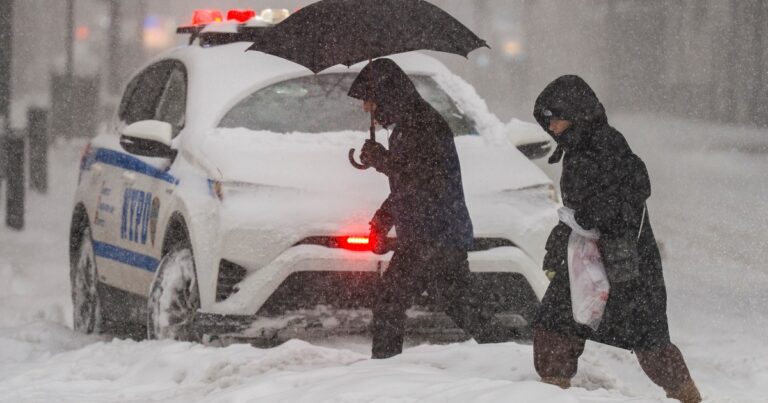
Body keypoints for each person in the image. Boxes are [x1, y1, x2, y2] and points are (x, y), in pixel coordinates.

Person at [531, 75, 701, 403]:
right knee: (554, 325)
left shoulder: (606, 144)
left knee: (650, 342)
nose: (552, 128)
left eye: (556, 119)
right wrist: (565, 234)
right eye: (547, 121)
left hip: (625, 262)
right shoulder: (578, 146)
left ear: (576, 114)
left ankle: (688, 397)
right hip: (589, 259)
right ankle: (551, 392)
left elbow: (637, 186)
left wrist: (595, 213)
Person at [347, 58, 512, 359]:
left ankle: (384, 371)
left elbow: (424, 178)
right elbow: (407, 185)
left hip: (435, 234)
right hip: (429, 234)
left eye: (369, 100)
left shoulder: (424, 125)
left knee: (393, 301)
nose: (366, 108)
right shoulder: (407, 125)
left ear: (386, 95)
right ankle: (507, 354)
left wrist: (383, 161)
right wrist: (382, 219)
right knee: (456, 303)